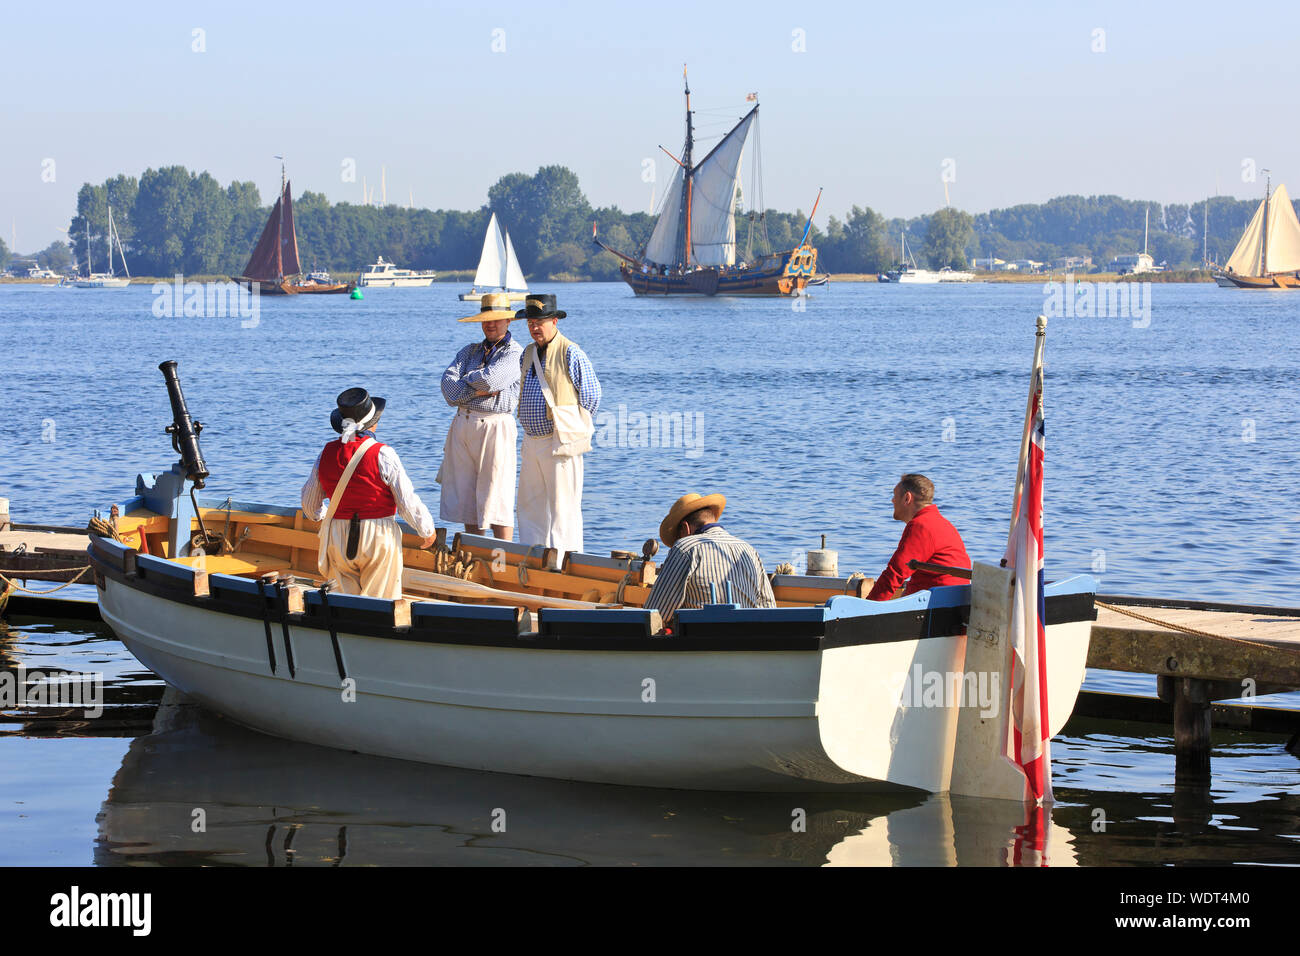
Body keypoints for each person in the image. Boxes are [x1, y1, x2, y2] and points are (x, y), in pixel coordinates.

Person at [301, 388, 437, 600]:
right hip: (378, 535)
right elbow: (406, 501)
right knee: (380, 603)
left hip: (337, 534)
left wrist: (326, 516)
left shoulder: (325, 453)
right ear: (372, 424)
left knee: (343, 604)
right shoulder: (383, 453)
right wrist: (426, 530)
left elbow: (310, 506)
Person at [516, 293, 600, 558]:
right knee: (529, 506)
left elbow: (592, 396)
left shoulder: (571, 351)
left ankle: (566, 562)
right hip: (531, 440)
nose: (534, 327)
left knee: (564, 508)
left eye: (539, 322)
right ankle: (534, 558)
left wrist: (572, 424)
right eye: (530, 322)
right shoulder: (527, 353)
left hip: (559, 440)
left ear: (554, 321)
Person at [438, 293, 524, 541]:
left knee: (497, 496)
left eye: (496, 319)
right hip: (463, 424)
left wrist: (469, 382)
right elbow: (448, 389)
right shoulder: (469, 351)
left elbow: (492, 380)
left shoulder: (515, 353)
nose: (490, 324)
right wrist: (476, 386)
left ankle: (502, 556)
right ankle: (476, 552)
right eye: (486, 319)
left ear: (508, 320)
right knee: (467, 496)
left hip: (495, 424)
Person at [645, 493, 777, 624]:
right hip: (746, 640)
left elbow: (656, 613)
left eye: (677, 536)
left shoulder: (685, 548)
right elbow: (769, 608)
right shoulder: (748, 550)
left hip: (701, 641)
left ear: (685, 528)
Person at [867, 473, 971, 601]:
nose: (892, 500)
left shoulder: (921, 525)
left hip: (936, 607)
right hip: (952, 602)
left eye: (894, 496)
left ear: (907, 498)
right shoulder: (942, 523)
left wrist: (865, 609)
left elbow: (895, 574)